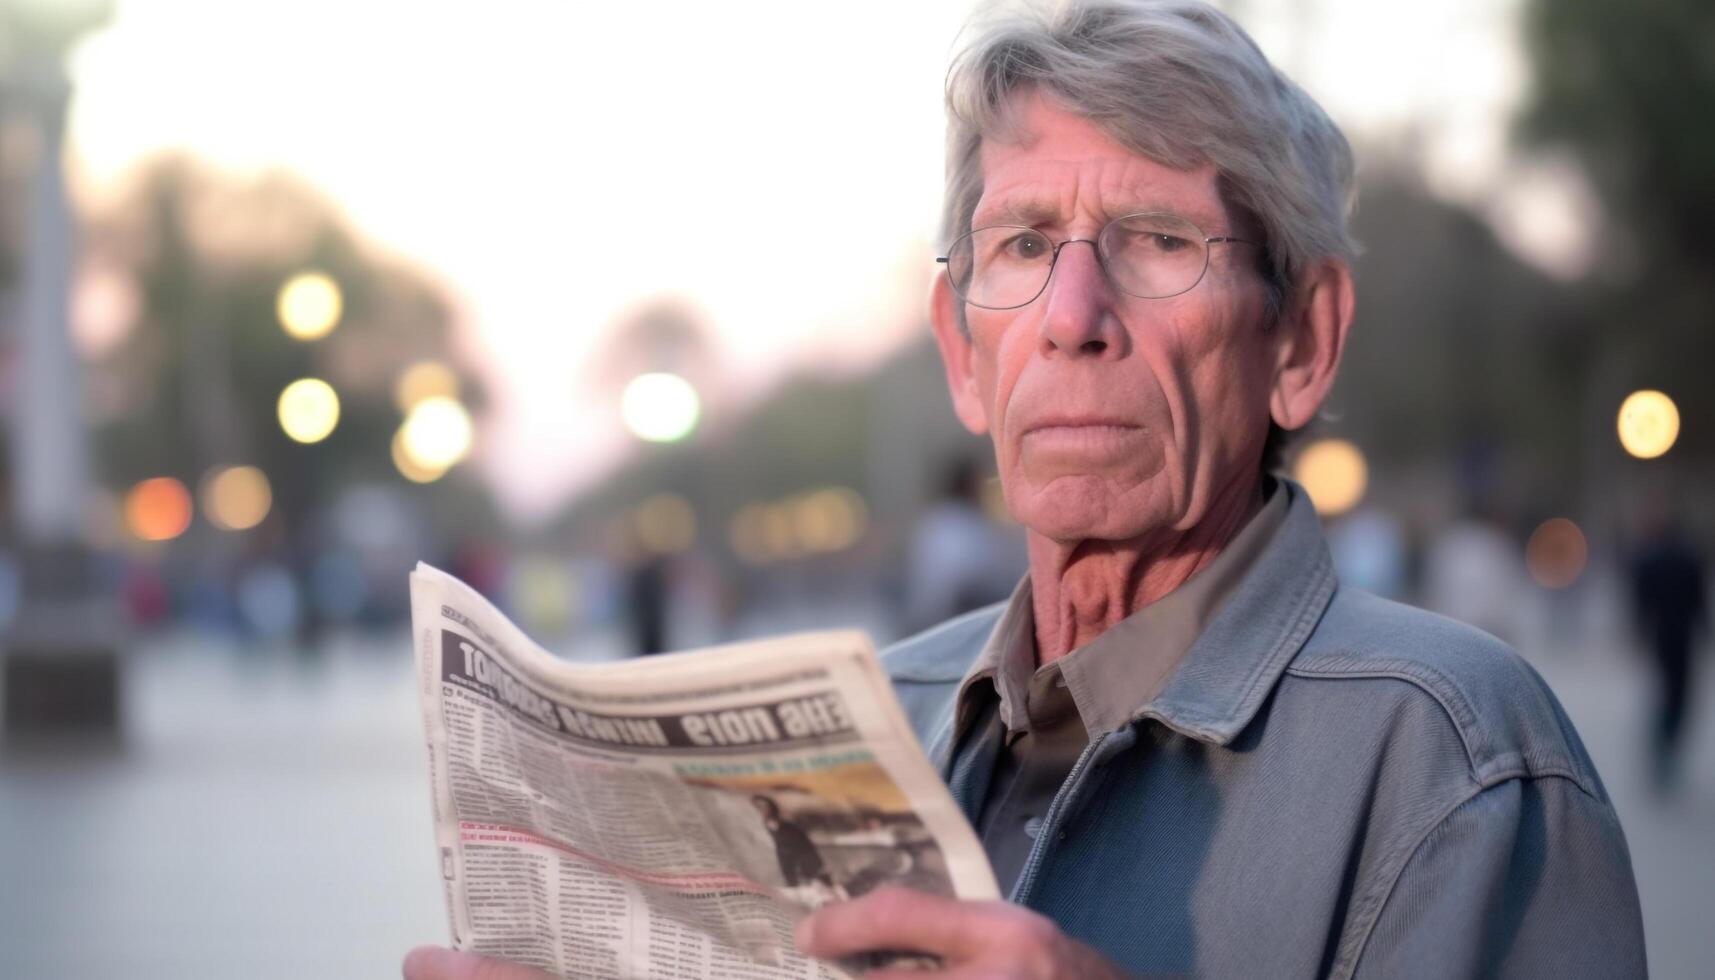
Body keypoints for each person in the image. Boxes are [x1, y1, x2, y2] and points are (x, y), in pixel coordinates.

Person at [405, 2, 1645, 977]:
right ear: (960, 349)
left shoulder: (1456, 755)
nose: (1071, 316)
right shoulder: (881, 717)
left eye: (1160, 239)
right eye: (1020, 245)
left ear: (1300, 341)